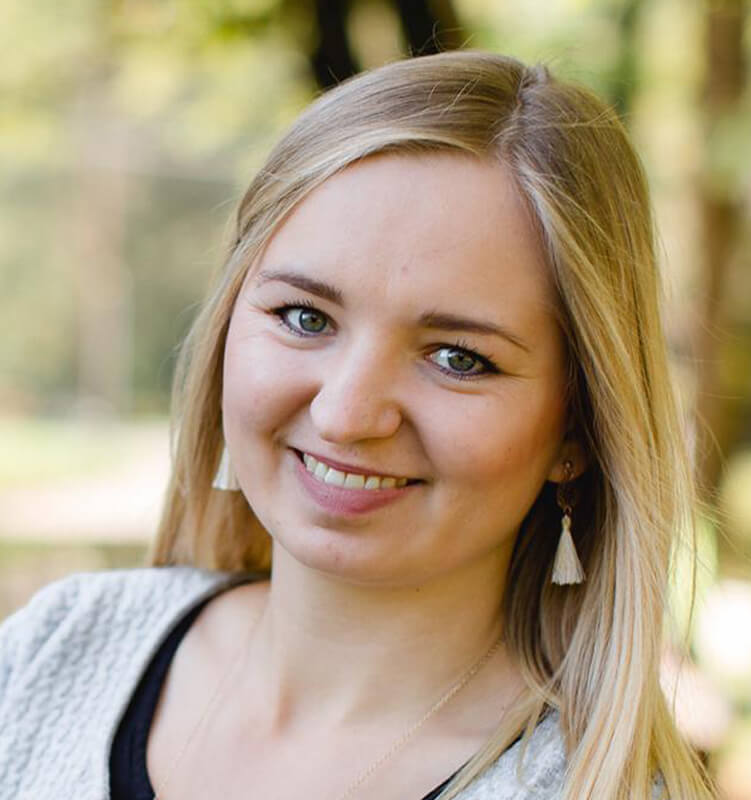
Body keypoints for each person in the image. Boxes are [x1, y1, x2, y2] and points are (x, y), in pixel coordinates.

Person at [0, 51, 715, 800]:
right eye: (305, 317)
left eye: (459, 358)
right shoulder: (59, 650)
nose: (345, 416)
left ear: (577, 431)